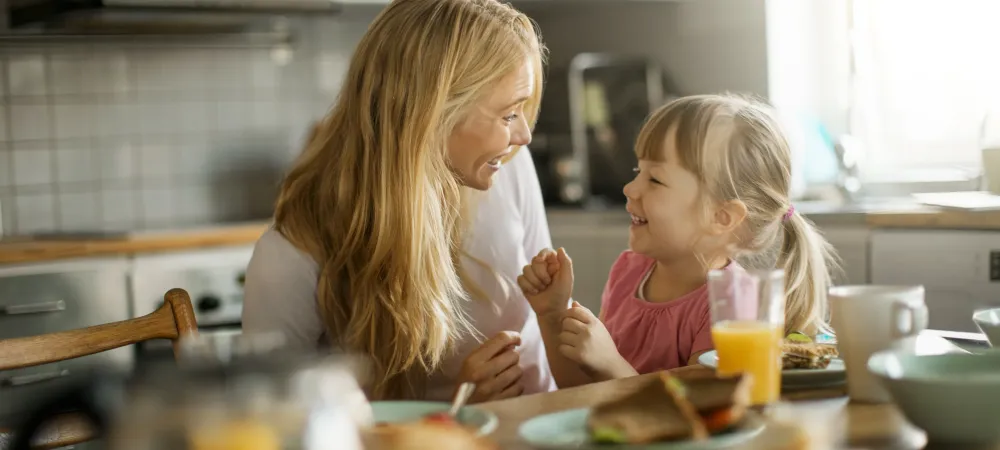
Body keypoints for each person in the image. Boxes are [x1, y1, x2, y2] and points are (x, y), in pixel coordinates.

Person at [242, 0, 556, 402]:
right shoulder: (293, 252)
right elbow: (276, 423)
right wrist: (454, 410)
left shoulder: (510, 168)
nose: (524, 136)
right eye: (508, 115)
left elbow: (545, 319)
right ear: (433, 113)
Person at [518, 94, 839, 387]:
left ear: (721, 217)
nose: (630, 188)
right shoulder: (629, 270)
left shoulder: (732, 305)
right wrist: (552, 315)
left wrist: (612, 365)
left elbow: (698, 417)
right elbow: (580, 392)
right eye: (637, 170)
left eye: (655, 178)